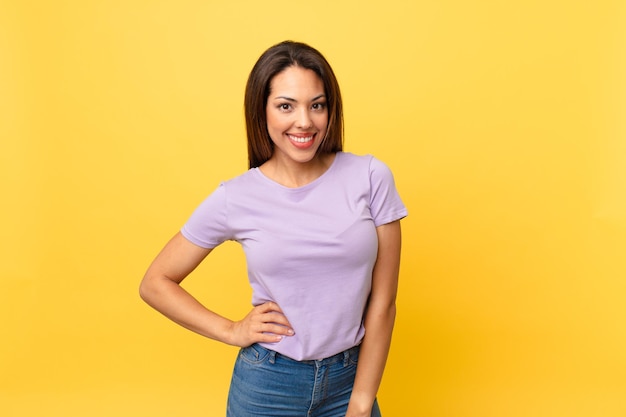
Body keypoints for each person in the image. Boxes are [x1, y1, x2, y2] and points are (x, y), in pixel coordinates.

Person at [139, 40, 407, 417]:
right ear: (261, 112)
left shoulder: (370, 177)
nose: (305, 121)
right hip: (268, 385)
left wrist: (362, 401)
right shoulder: (236, 196)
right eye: (286, 106)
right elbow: (155, 283)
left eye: (317, 105)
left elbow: (383, 303)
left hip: (351, 380)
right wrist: (232, 330)